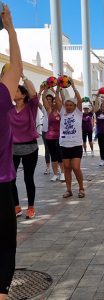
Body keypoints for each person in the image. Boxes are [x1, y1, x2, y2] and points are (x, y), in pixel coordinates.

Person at [0, 5, 22, 299]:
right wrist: (10, 29)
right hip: (2, 183)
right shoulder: (1, 96)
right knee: (4, 243)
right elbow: (16, 67)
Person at [10, 72, 39, 219]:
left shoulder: (30, 107)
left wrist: (23, 76)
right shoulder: (9, 108)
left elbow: (33, 93)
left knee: (28, 178)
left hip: (30, 148)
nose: (13, 92)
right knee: (11, 179)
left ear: (23, 95)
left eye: (16, 90)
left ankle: (31, 208)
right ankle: (16, 207)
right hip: (12, 148)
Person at [56, 80, 85, 198]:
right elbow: (57, 100)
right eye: (67, 105)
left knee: (76, 167)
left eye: (71, 105)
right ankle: (69, 190)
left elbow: (78, 98)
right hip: (64, 144)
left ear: (74, 106)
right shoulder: (62, 112)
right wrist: (58, 88)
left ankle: (81, 188)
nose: (68, 107)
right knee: (67, 167)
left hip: (76, 144)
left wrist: (73, 86)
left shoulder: (78, 112)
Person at [42, 89, 65, 182]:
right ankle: (55, 174)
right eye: (53, 101)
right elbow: (43, 99)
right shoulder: (49, 110)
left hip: (59, 137)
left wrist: (59, 90)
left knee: (60, 156)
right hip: (49, 137)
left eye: (56, 101)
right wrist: (46, 89)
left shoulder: (61, 111)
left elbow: (63, 99)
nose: (54, 102)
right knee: (53, 156)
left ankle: (62, 173)